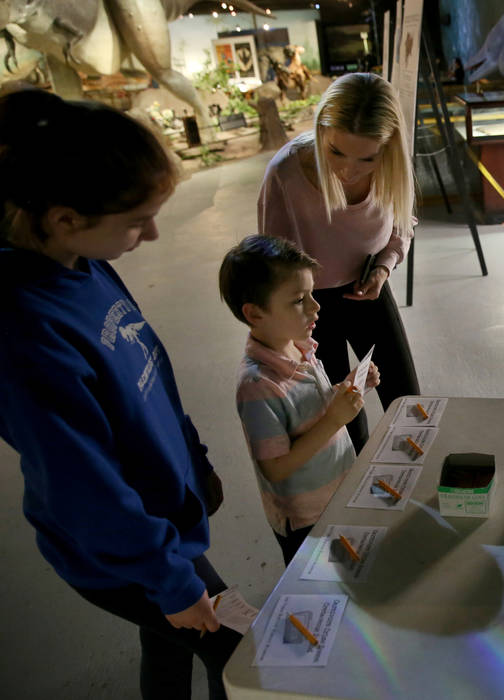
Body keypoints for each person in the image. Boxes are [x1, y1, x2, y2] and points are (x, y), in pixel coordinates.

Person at [0, 89, 241, 698]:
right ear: (64, 218)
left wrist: (194, 456)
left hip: (157, 522)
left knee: (167, 645)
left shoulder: (81, 261)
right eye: (136, 221)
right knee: (241, 657)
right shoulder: (22, 327)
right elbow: (81, 482)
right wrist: (170, 580)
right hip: (124, 551)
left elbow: (148, 369)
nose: (155, 234)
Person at [258, 71, 419, 455]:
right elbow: (272, 264)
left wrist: (384, 267)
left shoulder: (393, 166)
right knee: (342, 416)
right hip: (309, 306)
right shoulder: (286, 171)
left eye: (368, 157)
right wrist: (288, 330)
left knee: (407, 399)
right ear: (321, 131)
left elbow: (402, 226)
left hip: (369, 288)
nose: (349, 171)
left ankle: (417, 478)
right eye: (336, 152)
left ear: (388, 147)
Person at [218, 235, 379, 565]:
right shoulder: (257, 384)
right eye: (298, 300)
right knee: (321, 590)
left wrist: (345, 390)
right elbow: (276, 468)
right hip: (306, 517)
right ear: (255, 313)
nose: (315, 306)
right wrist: (336, 419)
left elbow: (309, 408)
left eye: (311, 294)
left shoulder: (299, 345)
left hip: (335, 490)